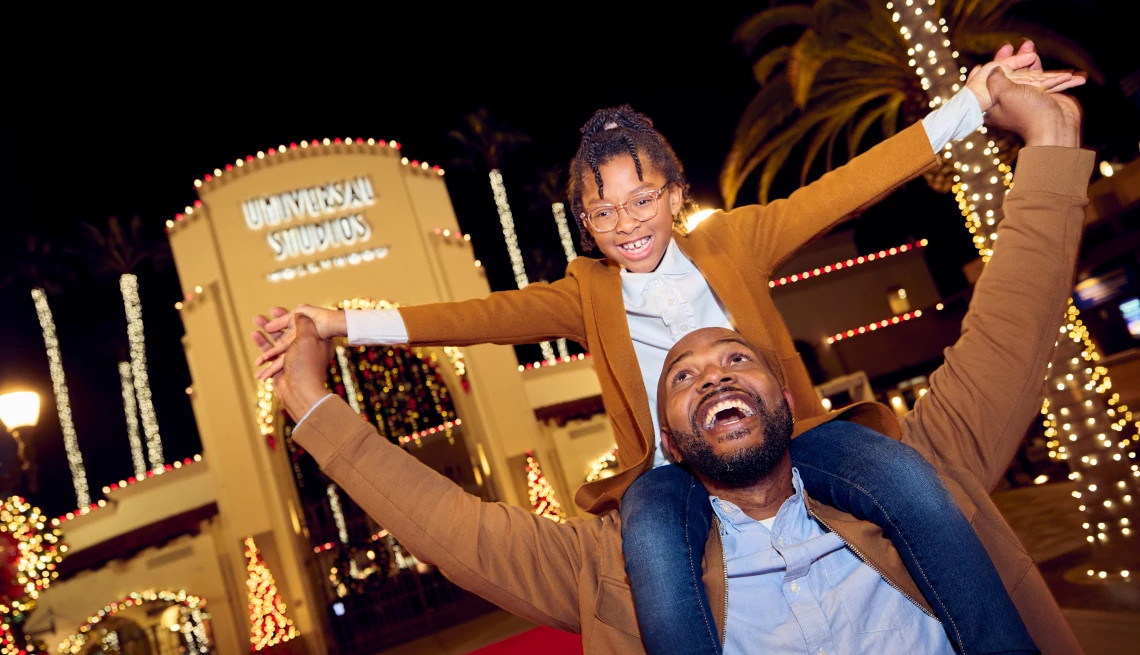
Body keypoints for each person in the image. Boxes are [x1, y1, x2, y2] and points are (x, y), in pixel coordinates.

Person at [255, 45, 1083, 654]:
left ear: (675, 192)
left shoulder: (736, 239)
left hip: (798, 441)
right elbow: (481, 316)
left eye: (642, 198)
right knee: (651, 551)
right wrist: (339, 324)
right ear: (585, 222)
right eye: (603, 213)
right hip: (664, 479)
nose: (626, 224)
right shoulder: (588, 291)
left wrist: (974, 103)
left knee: (909, 478)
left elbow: (846, 187)